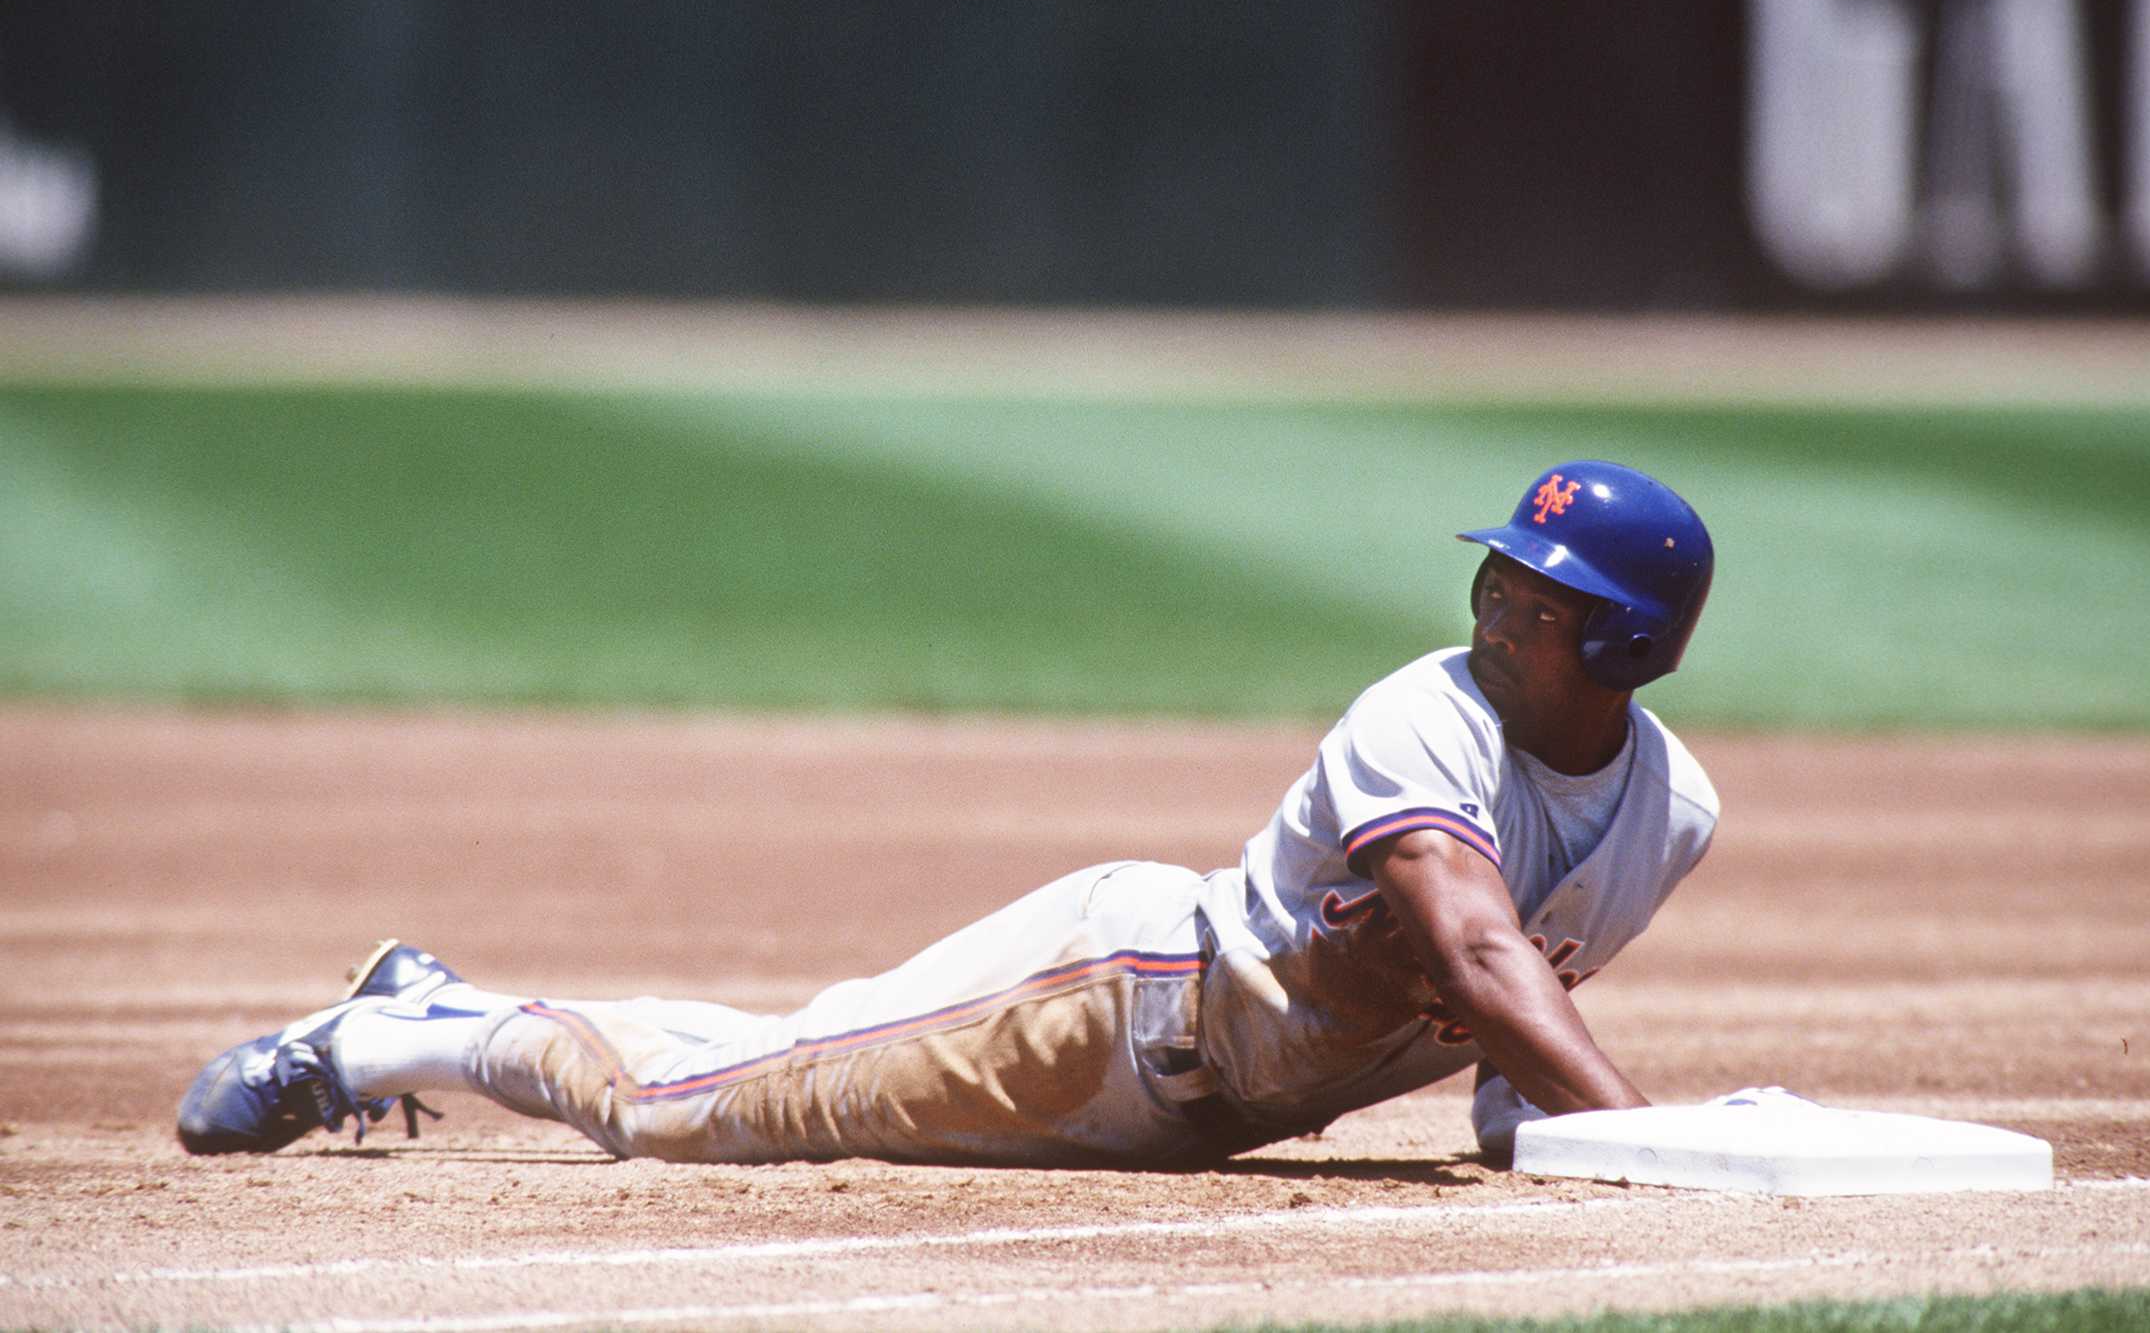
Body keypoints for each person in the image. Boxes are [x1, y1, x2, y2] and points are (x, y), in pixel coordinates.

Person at [177, 459, 1718, 1168]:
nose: (1496, 606)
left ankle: (417, 1017)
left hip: (1210, 1109)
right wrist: (1662, 1146)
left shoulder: (1670, 811)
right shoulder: (1425, 715)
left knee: (752, 1076)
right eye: (1499, 577)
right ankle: (401, 1028)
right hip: (1108, 1007)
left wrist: (1565, 1140)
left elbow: (1533, 1001)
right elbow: (1479, 959)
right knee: (708, 1106)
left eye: (1540, 601)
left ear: (1627, 648)